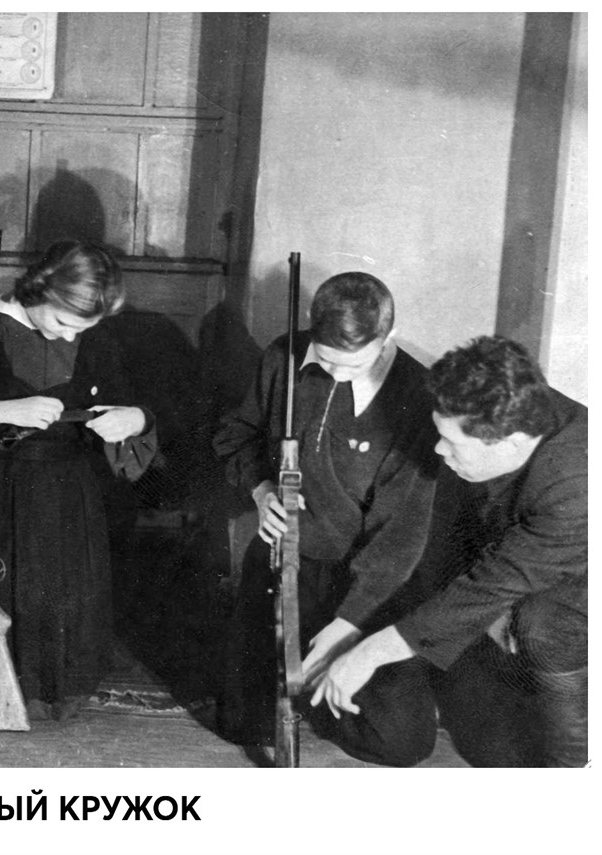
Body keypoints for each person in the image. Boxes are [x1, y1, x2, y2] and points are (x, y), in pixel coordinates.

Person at [0, 241, 156, 721]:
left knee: (64, 626)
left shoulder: (93, 334)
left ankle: (53, 693)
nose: (70, 337)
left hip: (70, 506)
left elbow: (137, 416)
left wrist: (136, 419)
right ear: (39, 289)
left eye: (82, 329)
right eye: (62, 322)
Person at [310, 336, 587, 767]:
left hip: (573, 594)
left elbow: (491, 586)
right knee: (471, 743)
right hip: (510, 583)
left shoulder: (578, 484)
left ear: (511, 443)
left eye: (452, 442)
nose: (439, 449)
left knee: (543, 628)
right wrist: (353, 620)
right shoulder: (506, 410)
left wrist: (369, 653)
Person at [212, 271, 440, 745]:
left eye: (352, 366)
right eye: (326, 360)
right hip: (283, 554)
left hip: (369, 577)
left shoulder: (418, 394)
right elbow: (236, 435)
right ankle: (301, 687)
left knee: (400, 742)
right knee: (247, 727)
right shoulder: (283, 355)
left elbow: (401, 534)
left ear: (387, 336)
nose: (335, 374)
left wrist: (350, 624)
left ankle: (316, 688)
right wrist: (261, 491)